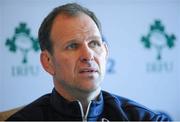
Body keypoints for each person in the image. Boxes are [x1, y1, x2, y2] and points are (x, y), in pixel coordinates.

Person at [7, 3, 170, 121]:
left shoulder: (146, 119)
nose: (88, 55)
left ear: (105, 52)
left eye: (94, 43)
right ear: (48, 61)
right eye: (72, 46)